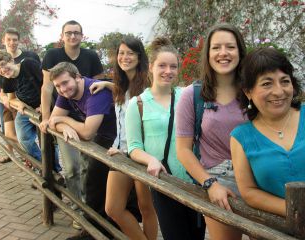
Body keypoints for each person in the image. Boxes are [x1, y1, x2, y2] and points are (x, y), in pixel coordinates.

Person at [230, 47, 305, 237]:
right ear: (248, 92)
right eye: (267, 84)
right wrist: (297, 208)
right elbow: (249, 191)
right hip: (283, 234)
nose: (278, 91)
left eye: (285, 81)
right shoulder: (241, 137)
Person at [126, 37, 206, 240]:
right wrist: (150, 159)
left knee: (196, 235)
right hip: (165, 183)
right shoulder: (138, 104)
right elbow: (134, 147)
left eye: (173, 66)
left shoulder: (187, 96)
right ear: (151, 67)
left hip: (195, 181)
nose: (168, 71)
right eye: (162, 65)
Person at [176, 23, 247, 240]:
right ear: (207, 54)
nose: (223, 53)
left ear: (240, 52)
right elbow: (183, 150)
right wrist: (209, 184)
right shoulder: (192, 95)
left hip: (259, 178)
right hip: (219, 182)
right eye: (216, 47)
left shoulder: (254, 90)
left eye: (230, 47)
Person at [90, 36, 158, 240]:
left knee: (146, 207)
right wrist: (105, 84)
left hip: (141, 153)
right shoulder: (121, 84)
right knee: (112, 208)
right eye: (121, 53)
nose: (124, 57)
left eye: (130, 53)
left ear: (139, 56)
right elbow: (124, 96)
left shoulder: (148, 85)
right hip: (119, 153)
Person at [39, 21, 104, 231]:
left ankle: (90, 208)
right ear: (62, 35)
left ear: (82, 36)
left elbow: (97, 87)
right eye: (69, 33)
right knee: (71, 169)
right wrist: (49, 121)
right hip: (65, 111)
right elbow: (48, 88)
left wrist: (63, 121)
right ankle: (77, 209)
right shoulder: (52, 56)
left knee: (89, 168)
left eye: (76, 33)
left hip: (89, 121)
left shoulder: (91, 56)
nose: (73, 36)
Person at [47, 62, 116, 239]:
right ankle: (95, 231)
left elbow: (86, 132)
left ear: (78, 77)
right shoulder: (67, 92)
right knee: (93, 187)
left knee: (95, 187)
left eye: (65, 83)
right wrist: (62, 125)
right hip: (98, 141)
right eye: (58, 86)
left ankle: (96, 232)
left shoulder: (95, 92)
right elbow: (53, 120)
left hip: (114, 142)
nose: (62, 89)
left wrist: (66, 121)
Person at [0, 50, 61, 172]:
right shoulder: (6, 79)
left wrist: (44, 106)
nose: (2, 70)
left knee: (48, 142)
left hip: (44, 107)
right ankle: (43, 167)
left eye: (3, 64)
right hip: (27, 110)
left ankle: (54, 171)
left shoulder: (28, 65)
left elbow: (48, 85)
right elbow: (11, 99)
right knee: (23, 138)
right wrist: (20, 104)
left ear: (11, 60)